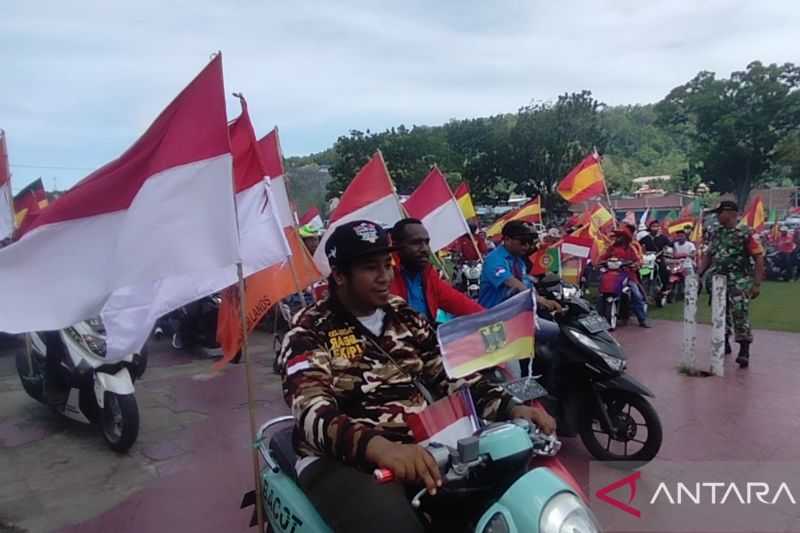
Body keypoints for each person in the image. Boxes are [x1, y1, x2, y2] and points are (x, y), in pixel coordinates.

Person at [280, 220, 555, 533]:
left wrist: (509, 405)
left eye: (387, 265)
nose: (385, 277)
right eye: (371, 268)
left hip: (423, 446)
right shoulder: (309, 329)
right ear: (340, 275)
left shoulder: (403, 314)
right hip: (341, 458)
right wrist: (381, 449)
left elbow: (446, 372)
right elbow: (311, 410)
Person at [698, 201, 765, 368]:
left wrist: (756, 284)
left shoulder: (745, 233)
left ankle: (744, 350)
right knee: (720, 312)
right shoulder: (717, 233)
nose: (717, 217)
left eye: (719, 213)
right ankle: (724, 342)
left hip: (739, 280)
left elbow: (758, 257)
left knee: (740, 313)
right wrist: (698, 274)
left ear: (729, 213)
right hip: (718, 280)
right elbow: (709, 254)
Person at [389, 218, 483, 322]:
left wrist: (491, 318)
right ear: (396, 246)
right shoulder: (386, 277)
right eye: (416, 243)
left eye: (426, 242)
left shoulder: (427, 274)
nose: (424, 249)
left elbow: (462, 305)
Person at [599, 227, 651, 328]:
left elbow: (638, 260)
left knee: (636, 295)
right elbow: (602, 258)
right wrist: (600, 263)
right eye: (617, 236)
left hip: (628, 275)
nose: (617, 238)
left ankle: (642, 319)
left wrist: (635, 264)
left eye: (620, 236)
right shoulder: (611, 248)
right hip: (611, 275)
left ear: (625, 238)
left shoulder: (631, 248)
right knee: (601, 294)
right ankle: (599, 316)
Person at [639, 220, 672, 292]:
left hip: (659, 258)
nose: (655, 228)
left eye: (656, 226)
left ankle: (665, 288)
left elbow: (669, 246)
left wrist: (666, 250)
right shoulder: (645, 238)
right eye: (653, 226)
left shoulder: (663, 238)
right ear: (649, 228)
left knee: (664, 270)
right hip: (647, 259)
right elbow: (638, 246)